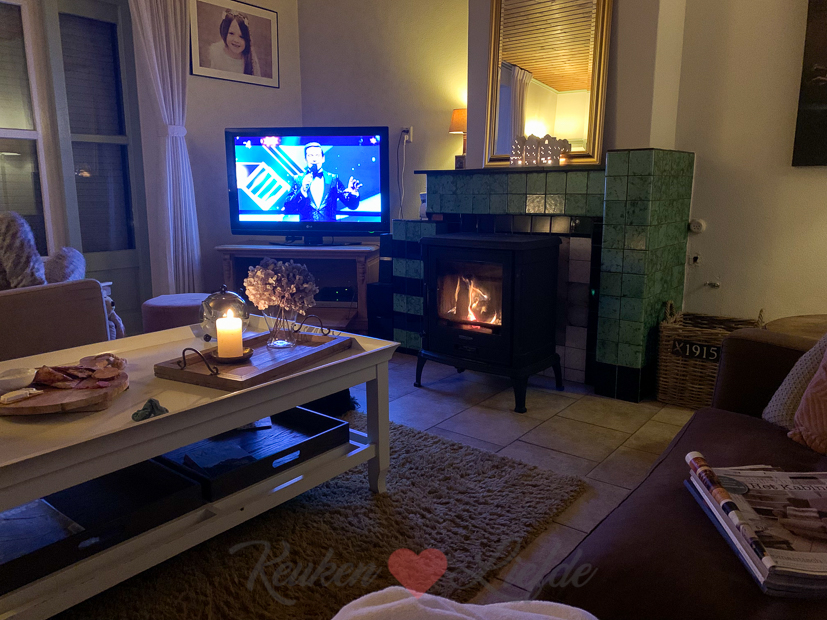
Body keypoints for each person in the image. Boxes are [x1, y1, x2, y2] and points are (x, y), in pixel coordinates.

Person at [283, 143, 363, 222]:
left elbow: (352, 205)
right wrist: (302, 191)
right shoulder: (298, 179)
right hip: (306, 228)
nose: (314, 159)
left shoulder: (333, 179)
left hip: (329, 228)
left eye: (317, 155)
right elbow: (288, 207)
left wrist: (353, 194)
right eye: (310, 155)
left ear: (323, 158)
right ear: (305, 159)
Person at [208, 9, 260, 76]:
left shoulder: (250, 59)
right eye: (231, 33)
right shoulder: (216, 53)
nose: (236, 40)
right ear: (225, 32)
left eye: (241, 36)